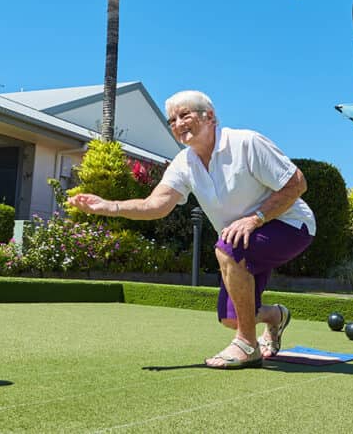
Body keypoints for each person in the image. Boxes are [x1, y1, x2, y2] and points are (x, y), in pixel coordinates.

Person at [67, 90, 315, 369]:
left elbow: (297, 183)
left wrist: (254, 219)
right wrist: (109, 206)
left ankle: (247, 345)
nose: (177, 124)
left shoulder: (246, 142)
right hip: (243, 237)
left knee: (227, 248)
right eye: (172, 120)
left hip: (291, 225)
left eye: (184, 115)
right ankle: (275, 316)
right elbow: (156, 205)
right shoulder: (184, 163)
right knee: (231, 318)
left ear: (210, 117)